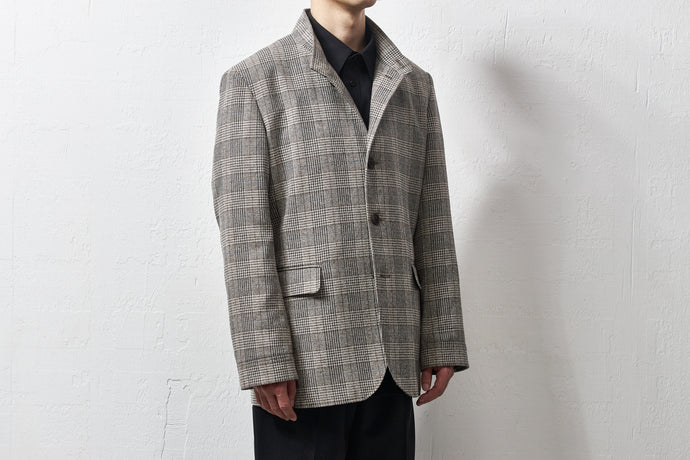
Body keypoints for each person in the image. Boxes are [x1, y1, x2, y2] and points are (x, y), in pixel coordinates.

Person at [211, 1, 469, 458]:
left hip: (394, 356)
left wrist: (441, 337)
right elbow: (244, 232)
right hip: (304, 362)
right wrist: (264, 356)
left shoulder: (414, 85)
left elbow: (432, 216)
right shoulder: (254, 81)